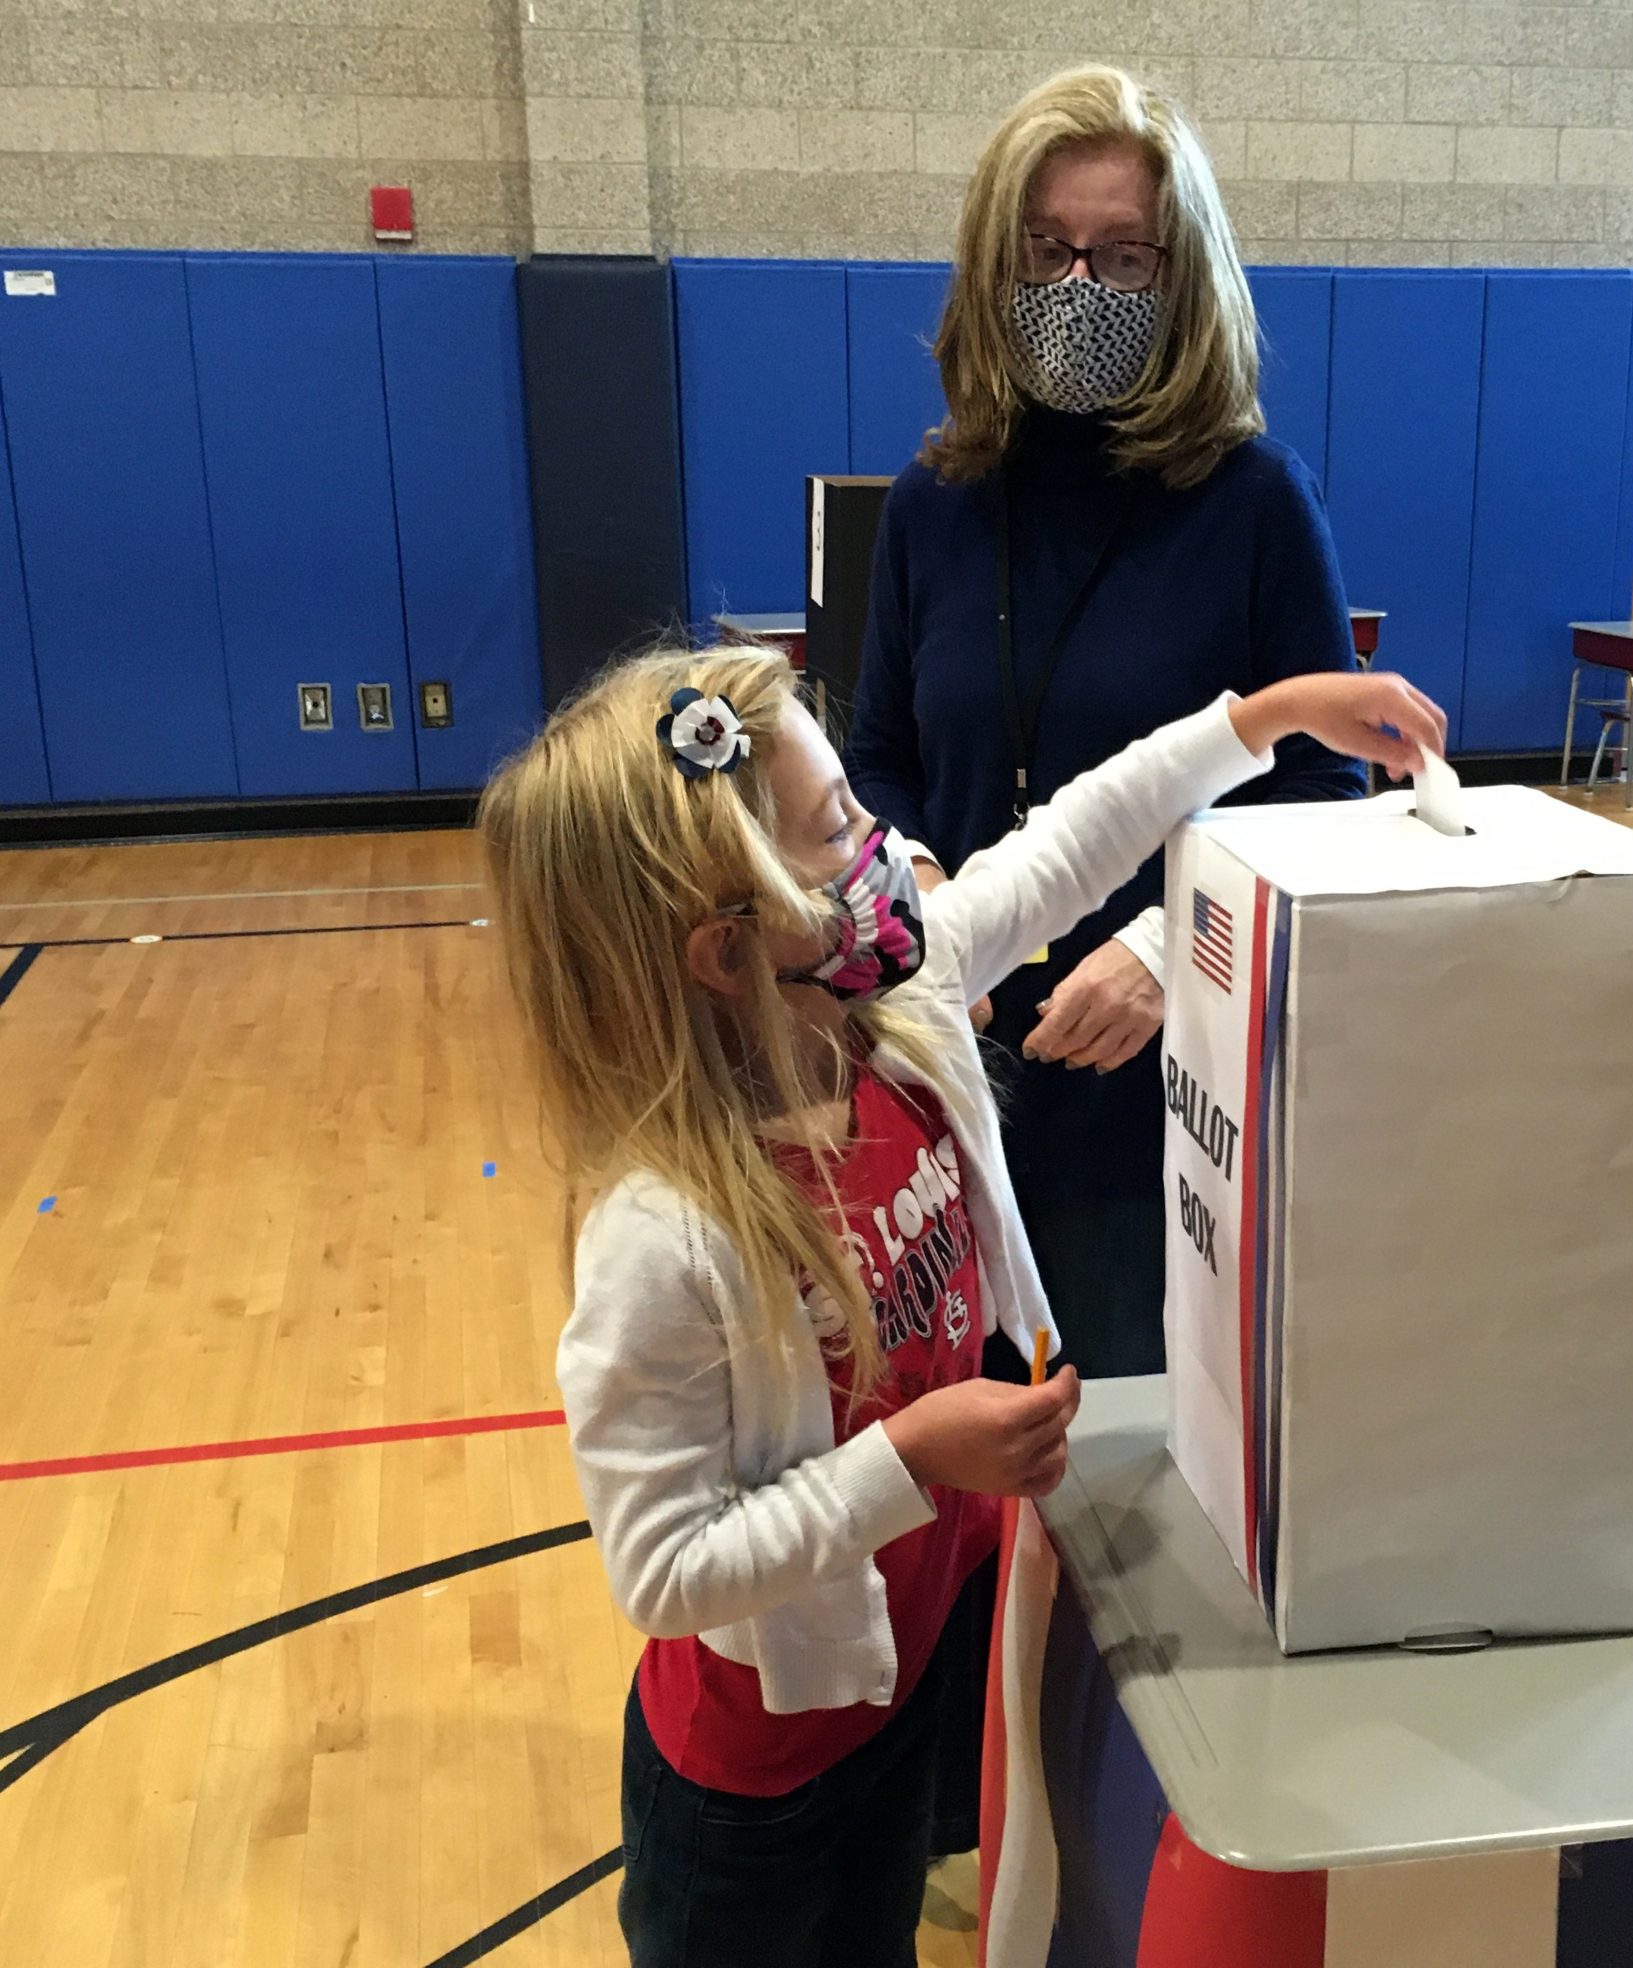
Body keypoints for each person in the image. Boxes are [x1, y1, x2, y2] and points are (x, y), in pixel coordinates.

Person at [478, 642, 1444, 1968]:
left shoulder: (905, 1008)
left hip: (898, 1699)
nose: (891, 848)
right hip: (751, 1794)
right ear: (730, 946)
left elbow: (1069, 843)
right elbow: (661, 1570)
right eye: (839, 831)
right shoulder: (666, 1239)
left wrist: (1262, 721)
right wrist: (915, 1458)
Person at [847, 65, 1371, 1388]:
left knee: (1125, 1472)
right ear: (995, 260)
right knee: (962, 1460)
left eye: (1122, 257)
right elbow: (882, 755)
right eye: (1048, 251)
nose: (1078, 286)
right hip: (949, 1076)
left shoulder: (1254, 503)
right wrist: (914, 881)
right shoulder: (932, 501)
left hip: (1166, 1099)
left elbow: (1321, 796)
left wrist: (1163, 950)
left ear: (1181, 279)